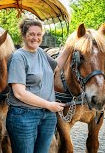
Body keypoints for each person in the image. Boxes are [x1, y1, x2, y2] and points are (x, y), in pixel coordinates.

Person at [6, 18, 73, 153]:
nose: (35, 38)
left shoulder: (41, 53)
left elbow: (56, 67)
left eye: (38, 34)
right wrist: (49, 104)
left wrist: (70, 46)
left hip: (47, 117)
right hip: (24, 116)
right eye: (31, 34)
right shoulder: (19, 57)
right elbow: (19, 93)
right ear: (24, 36)